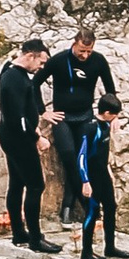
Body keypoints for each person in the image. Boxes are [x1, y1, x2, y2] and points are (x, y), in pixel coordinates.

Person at [46, 22, 118, 223]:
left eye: (88, 51)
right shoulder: (60, 60)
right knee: (69, 156)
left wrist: (114, 115)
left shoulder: (98, 61)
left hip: (85, 117)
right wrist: (43, 112)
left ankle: (69, 208)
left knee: (82, 159)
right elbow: (34, 84)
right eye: (81, 50)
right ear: (74, 44)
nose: (85, 55)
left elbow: (110, 89)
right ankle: (83, 205)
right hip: (62, 117)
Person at [0, 37, 56, 251]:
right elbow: (18, 119)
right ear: (30, 56)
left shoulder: (10, 70)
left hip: (10, 135)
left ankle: (19, 233)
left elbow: (23, 112)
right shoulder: (15, 79)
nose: (41, 67)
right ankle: (35, 239)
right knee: (35, 185)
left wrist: (35, 126)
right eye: (40, 62)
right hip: (18, 138)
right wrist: (36, 138)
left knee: (17, 183)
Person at [74, 97, 125, 259]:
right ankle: (86, 253)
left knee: (111, 207)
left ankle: (110, 247)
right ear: (107, 112)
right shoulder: (90, 127)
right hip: (91, 177)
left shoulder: (106, 125)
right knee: (92, 212)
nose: (116, 117)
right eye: (115, 114)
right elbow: (81, 156)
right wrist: (85, 181)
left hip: (103, 174)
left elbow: (103, 151)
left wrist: (108, 169)